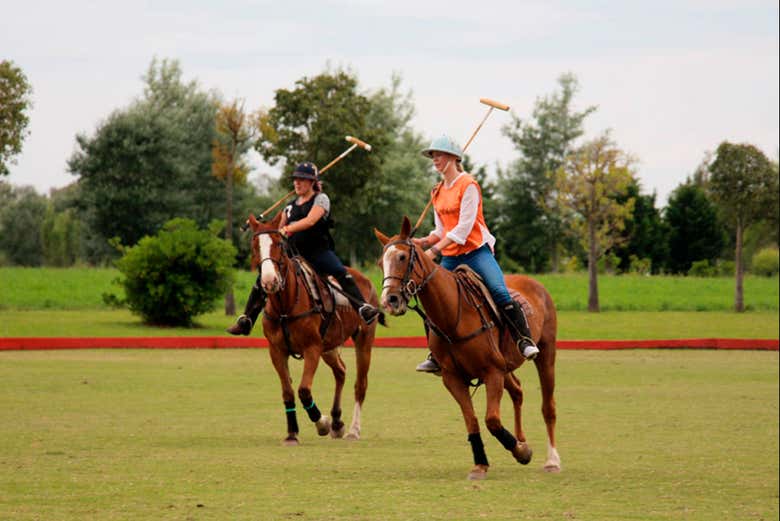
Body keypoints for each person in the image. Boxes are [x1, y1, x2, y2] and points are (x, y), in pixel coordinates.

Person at [412, 135, 539, 373]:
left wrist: (434, 250)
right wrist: (423, 241)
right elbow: (441, 230)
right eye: (432, 156)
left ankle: (523, 340)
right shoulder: (437, 191)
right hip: (450, 255)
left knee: (499, 290)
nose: (435, 160)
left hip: (474, 252)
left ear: (452, 157)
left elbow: (464, 227)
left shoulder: (468, 184)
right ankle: (435, 354)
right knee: (432, 299)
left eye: (438, 155)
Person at [227, 162, 380, 335]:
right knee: (264, 277)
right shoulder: (290, 207)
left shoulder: (321, 199)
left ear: (312, 182)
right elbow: (277, 228)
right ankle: (247, 320)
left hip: (318, 253)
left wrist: (288, 229)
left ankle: (362, 308)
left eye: (303, 180)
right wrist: (261, 227)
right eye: (296, 180)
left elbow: (310, 221)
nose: (297, 183)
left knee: (339, 271)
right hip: (294, 255)